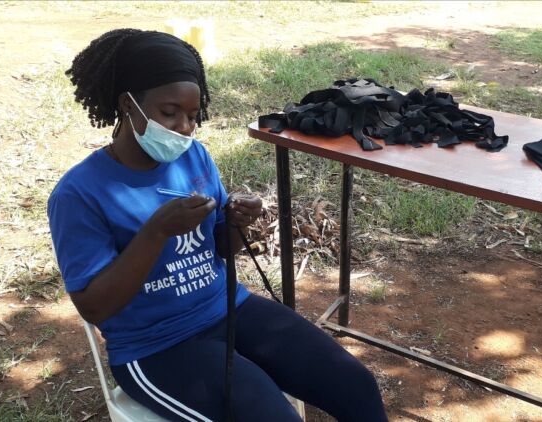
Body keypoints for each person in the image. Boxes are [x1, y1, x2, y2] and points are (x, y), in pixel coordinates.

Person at [49, 28, 387, 422]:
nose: (184, 128)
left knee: (355, 385)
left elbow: (220, 249)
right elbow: (93, 306)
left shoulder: (195, 158)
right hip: (155, 346)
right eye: (169, 113)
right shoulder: (79, 193)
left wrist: (237, 223)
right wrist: (156, 232)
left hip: (228, 308)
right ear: (128, 104)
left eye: (193, 116)